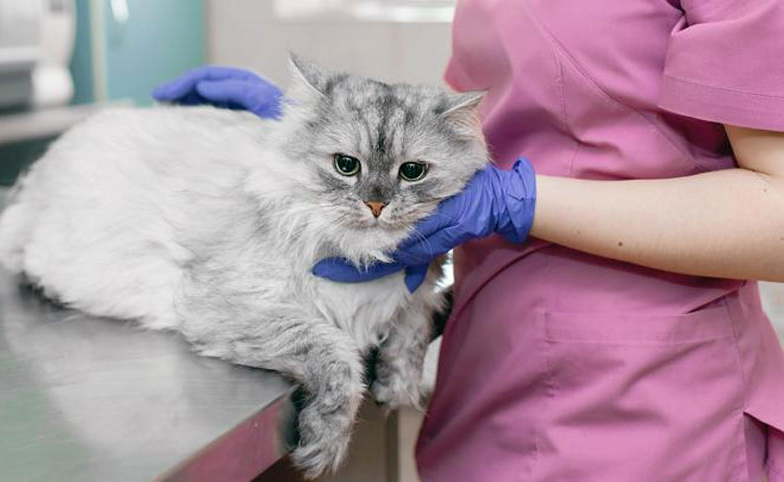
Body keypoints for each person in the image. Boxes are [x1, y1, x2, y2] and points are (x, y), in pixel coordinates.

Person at [153, 0, 784, 479]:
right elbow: (502, 117)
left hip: (647, 400)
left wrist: (519, 201)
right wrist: (322, 133)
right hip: (490, 363)